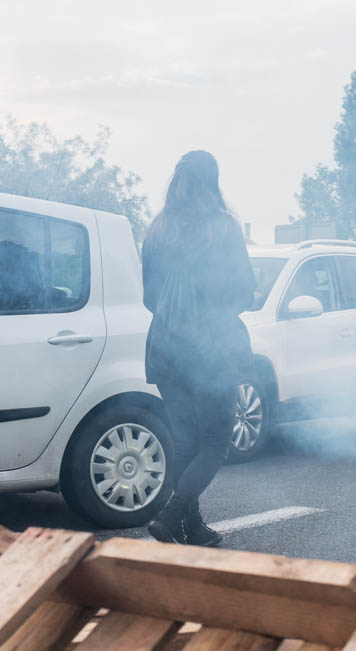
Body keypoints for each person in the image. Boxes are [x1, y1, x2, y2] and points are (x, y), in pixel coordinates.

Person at [141, 150, 253, 547]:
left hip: (166, 350)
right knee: (215, 441)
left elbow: (149, 297)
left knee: (186, 441)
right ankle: (171, 515)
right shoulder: (222, 228)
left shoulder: (157, 229)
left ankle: (192, 527)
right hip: (209, 352)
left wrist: (177, 318)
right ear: (214, 182)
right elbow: (244, 291)